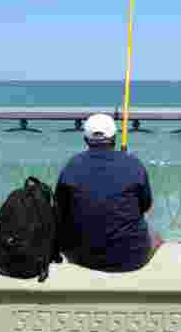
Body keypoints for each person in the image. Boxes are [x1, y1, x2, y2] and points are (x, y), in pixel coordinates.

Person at [54, 113, 164, 272]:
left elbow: (61, 209)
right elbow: (145, 206)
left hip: (79, 256)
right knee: (156, 236)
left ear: (85, 139)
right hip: (131, 259)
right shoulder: (133, 164)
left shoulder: (71, 166)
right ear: (114, 138)